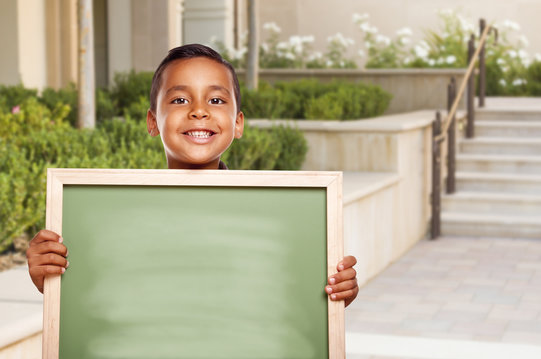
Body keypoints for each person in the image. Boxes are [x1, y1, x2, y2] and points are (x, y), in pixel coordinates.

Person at [26, 44, 359, 307]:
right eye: (180, 99)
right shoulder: (112, 218)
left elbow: (289, 297)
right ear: (152, 121)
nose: (199, 111)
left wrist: (334, 293)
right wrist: (53, 281)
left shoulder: (280, 218)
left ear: (238, 123)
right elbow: (101, 300)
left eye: (215, 99)